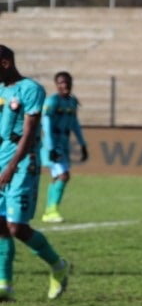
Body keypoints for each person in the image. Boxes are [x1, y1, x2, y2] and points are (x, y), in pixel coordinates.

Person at [0, 45, 71, 301]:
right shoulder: (1, 91)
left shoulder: (32, 90)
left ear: (5, 63)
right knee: (0, 225)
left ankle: (58, 267)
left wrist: (10, 167)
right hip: (1, 161)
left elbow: (29, 133)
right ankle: (5, 284)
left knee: (16, 227)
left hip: (22, 165)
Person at [40, 71, 89, 223]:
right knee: (64, 175)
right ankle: (52, 209)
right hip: (54, 145)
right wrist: (51, 148)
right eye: (61, 82)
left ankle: (49, 211)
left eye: (67, 82)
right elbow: (46, 125)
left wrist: (82, 144)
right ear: (56, 85)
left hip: (63, 145)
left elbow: (75, 125)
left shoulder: (72, 102)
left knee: (56, 177)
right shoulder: (52, 101)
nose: (64, 85)